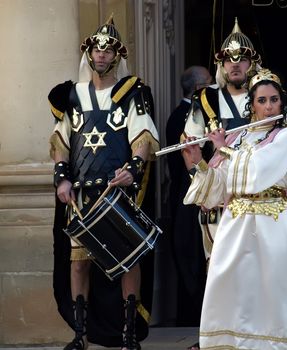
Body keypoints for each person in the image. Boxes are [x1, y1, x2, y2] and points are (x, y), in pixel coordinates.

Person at [182, 68, 287, 349]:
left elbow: (259, 171)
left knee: (274, 290)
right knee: (234, 289)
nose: (268, 106)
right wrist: (199, 160)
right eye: (262, 100)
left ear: (282, 102)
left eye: (273, 100)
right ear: (252, 104)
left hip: (275, 223)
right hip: (237, 224)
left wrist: (222, 150)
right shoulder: (239, 137)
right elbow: (221, 186)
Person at [48, 15, 160, 350]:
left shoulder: (131, 93)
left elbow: (143, 136)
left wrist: (134, 168)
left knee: (128, 259)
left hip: (117, 190)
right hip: (82, 193)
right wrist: (61, 179)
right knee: (79, 262)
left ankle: (128, 335)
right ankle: (80, 335)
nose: (101, 55)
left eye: (108, 50)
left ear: (117, 55)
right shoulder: (73, 95)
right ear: (88, 54)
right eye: (96, 50)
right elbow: (60, 142)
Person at [182, 17, 265, 265]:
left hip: (257, 200)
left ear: (253, 63)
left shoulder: (267, 97)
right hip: (217, 200)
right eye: (229, 59)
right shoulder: (205, 99)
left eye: (242, 59)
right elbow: (189, 149)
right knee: (217, 272)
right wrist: (204, 187)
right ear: (222, 64)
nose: (235, 65)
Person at [165, 66, 212, 326]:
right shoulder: (184, 116)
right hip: (190, 194)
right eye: (209, 83)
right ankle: (193, 316)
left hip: (194, 194)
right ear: (198, 89)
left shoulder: (181, 113)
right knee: (192, 256)